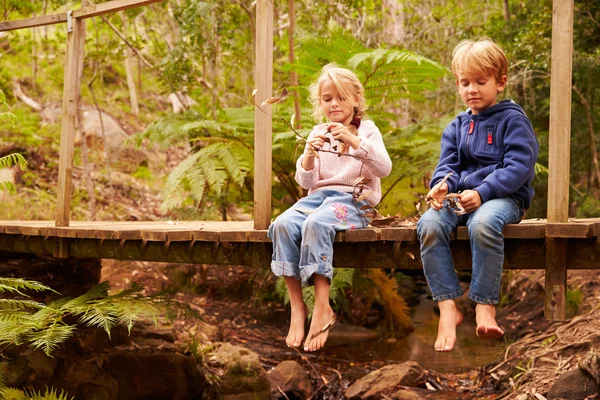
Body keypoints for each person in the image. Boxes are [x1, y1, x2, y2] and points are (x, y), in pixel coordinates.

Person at [416, 38, 539, 352]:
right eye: (465, 82)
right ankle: (447, 307)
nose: (472, 89)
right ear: (457, 85)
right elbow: (449, 166)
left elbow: (519, 168)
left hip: (503, 198)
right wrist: (442, 185)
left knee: (482, 223)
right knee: (428, 225)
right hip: (460, 199)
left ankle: (485, 305)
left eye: (480, 82)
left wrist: (483, 193)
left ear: (500, 82)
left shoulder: (512, 121)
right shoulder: (457, 126)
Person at [268, 64, 392, 352]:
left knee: (317, 223)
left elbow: (384, 168)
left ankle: (322, 308)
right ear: (320, 103)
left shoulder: (367, 131)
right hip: (318, 198)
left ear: (356, 99)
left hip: (354, 201)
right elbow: (305, 180)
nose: (334, 103)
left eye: (341, 97)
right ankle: (298, 308)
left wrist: (354, 141)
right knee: (283, 224)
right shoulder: (318, 131)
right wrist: (309, 154)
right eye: (327, 99)